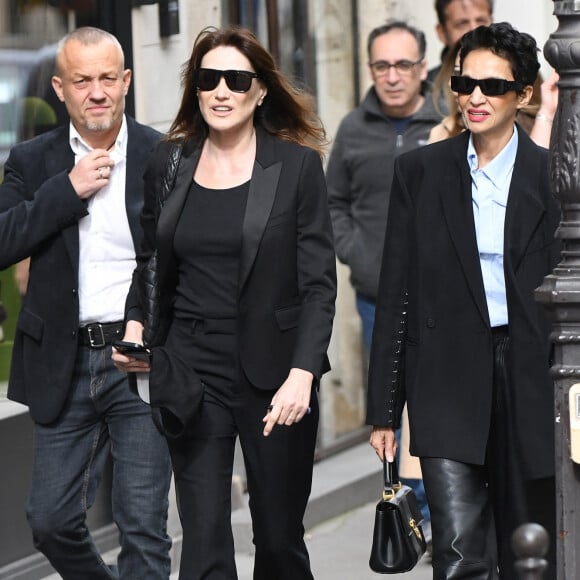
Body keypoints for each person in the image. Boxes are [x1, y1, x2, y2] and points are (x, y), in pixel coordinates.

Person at [112, 25, 336, 580]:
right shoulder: (169, 163)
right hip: (191, 365)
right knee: (204, 536)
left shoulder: (296, 168)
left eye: (236, 79)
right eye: (208, 79)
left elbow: (318, 285)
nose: (221, 91)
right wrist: (137, 324)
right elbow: (152, 262)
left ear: (260, 91)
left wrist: (303, 372)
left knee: (279, 538)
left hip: (276, 369)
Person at [368, 22, 559, 579]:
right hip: (446, 379)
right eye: (465, 82)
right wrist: (385, 408)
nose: (475, 97)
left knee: (532, 549)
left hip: (530, 377)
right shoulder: (421, 171)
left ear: (523, 95)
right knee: (457, 552)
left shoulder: (552, 177)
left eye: (493, 86)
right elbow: (397, 287)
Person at [0, 27, 172, 579]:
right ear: (60, 88)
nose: (96, 92)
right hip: (64, 362)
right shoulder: (32, 161)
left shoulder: (163, 153)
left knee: (143, 528)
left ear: (125, 82)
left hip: (139, 361)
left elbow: (183, 257)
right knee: (49, 520)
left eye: (106, 78)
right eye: (81, 81)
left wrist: (158, 331)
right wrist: (65, 191)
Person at [326, 19, 439, 543]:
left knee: (440, 402)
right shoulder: (353, 127)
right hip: (378, 297)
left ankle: (447, 511)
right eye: (381, 65)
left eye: (403, 65)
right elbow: (334, 204)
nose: (392, 76)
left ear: (422, 67)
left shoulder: (447, 120)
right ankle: (409, 515)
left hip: (444, 295)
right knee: (390, 408)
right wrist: (358, 255)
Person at [428, 0, 493, 83]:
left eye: (481, 21)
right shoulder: (424, 90)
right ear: (442, 33)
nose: (474, 30)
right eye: (462, 24)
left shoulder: (512, 77)